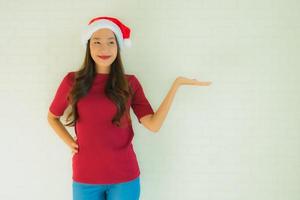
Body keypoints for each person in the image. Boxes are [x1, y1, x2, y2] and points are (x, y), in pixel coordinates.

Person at [47, 16, 212, 200]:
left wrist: (177, 84)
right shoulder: (72, 81)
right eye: (97, 42)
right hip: (85, 177)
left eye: (111, 42)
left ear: (118, 46)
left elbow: (153, 125)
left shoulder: (130, 83)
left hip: (125, 178)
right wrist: (70, 142)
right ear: (88, 46)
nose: (104, 49)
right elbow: (52, 117)